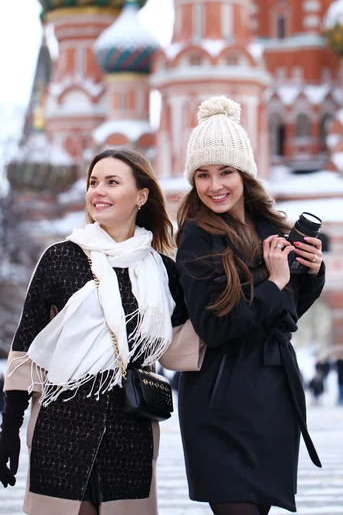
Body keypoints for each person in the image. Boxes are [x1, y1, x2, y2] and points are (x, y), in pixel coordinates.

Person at [0, 149, 203, 515]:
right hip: (61, 426)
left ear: (141, 196)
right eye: (94, 182)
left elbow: (182, 348)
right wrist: (8, 430)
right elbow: (25, 346)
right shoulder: (61, 257)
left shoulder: (163, 271)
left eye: (112, 182)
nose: (99, 191)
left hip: (130, 431)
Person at [175, 97, 326, 515]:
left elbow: (286, 316)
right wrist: (276, 281)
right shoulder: (196, 238)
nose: (214, 185)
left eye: (225, 171)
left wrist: (311, 273)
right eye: (202, 175)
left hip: (272, 398)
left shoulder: (272, 229)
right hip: (220, 401)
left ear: (244, 173)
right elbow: (213, 326)